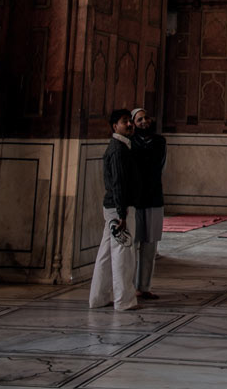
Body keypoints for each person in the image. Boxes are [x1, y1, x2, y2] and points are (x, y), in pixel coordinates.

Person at [89, 109, 140, 311]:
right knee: (123, 253)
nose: (129, 124)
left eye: (130, 121)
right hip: (120, 208)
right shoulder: (118, 150)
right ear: (114, 126)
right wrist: (121, 213)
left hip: (115, 206)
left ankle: (98, 298)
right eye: (124, 121)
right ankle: (124, 301)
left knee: (107, 254)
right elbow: (118, 183)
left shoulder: (121, 146)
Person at [131, 107, 167, 300]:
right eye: (139, 120)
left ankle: (144, 287)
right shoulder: (130, 142)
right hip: (136, 199)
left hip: (153, 197)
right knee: (133, 244)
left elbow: (160, 165)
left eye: (146, 118)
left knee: (150, 244)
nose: (144, 122)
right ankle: (129, 287)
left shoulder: (159, 141)